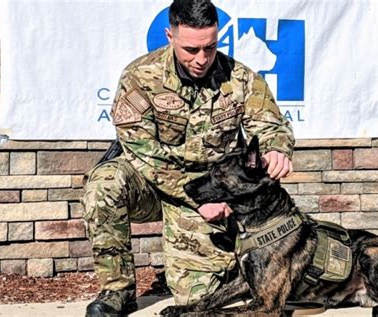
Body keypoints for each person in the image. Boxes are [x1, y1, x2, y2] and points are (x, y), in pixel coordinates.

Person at [82, 0, 295, 315]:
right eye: (190, 49)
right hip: (155, 185)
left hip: (210, 192)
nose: (201, 58)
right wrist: (195, 197)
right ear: (170, 36)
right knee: (104, 183)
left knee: (196, 303)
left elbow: (270, 125)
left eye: (210, 47)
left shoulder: (240, 78)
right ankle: (116, 291)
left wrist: (276, 148)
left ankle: (227, 264)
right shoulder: (140, 76)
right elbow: (142, 152)